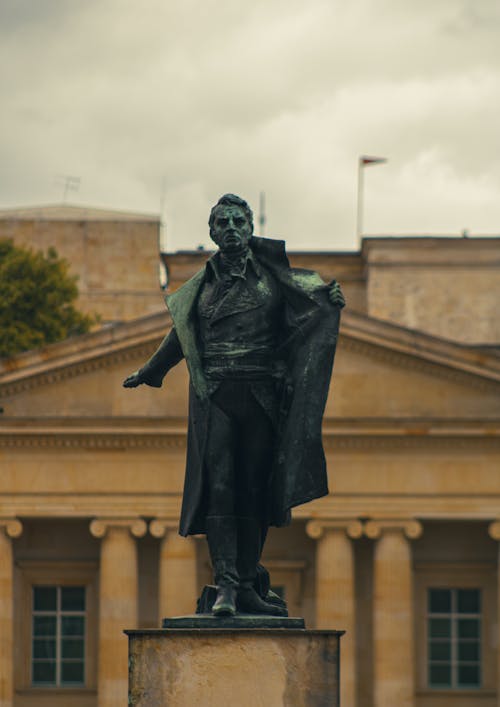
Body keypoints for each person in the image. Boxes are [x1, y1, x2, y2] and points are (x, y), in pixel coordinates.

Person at [123, 194, 344, 617]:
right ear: (212, 232)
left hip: (261, 393)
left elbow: (306, 312)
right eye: (222, 222)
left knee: (255, 492)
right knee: (220, 488)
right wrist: (153, 369)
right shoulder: (201, 288)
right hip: (216, 394)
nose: (230, 228)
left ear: (249, 228)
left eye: (237, 221)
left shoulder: (274, 281)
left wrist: (326, 301)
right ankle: (225, 584)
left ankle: (246, 581)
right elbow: (183, 336)